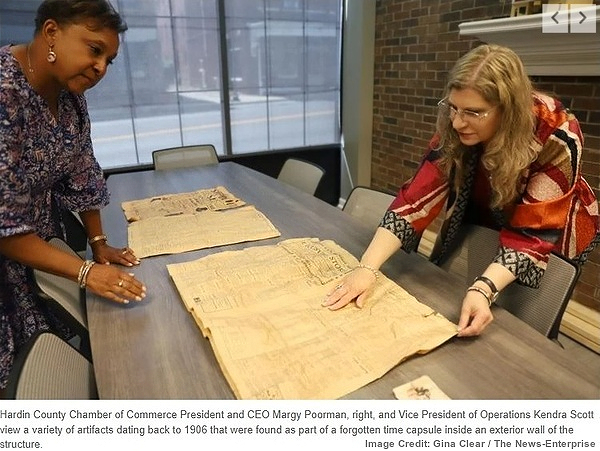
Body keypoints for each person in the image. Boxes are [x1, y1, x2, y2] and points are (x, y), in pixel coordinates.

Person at [323, 44, 600, 337]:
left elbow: (532, 232)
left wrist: (484, 288)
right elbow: (416, 198)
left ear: (507, 110)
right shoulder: (457, 120)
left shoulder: (557, 131)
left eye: (473, 112)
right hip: (487, 200)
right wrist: (367, 268)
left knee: (519, 323)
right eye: (454, 108)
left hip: (547, 224)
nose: (457, 122)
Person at [0, 0, 147, 394]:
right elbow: (5, 226)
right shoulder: (5, 92)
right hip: (12, 248)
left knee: (47, 364)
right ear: (52, 32)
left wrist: (99, 245)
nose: (100, 68)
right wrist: (86, 272)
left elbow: (83, 171)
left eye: (109, 60)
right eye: (94, 50)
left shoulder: (68, 95)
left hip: (38, 244)